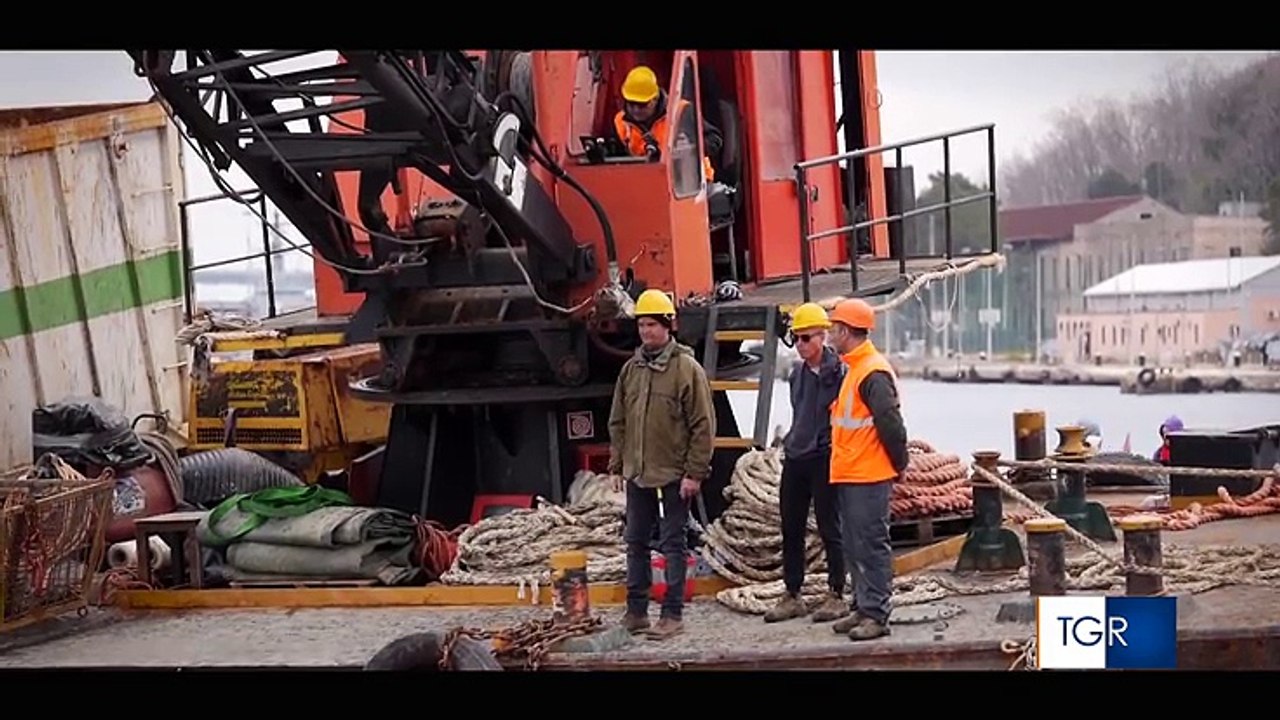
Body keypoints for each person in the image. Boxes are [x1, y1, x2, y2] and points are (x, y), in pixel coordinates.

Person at [607, 288, 715, 641]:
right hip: (639, 471)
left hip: (674, 474)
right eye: (642, 325)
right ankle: (636, 611)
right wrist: (618, 464)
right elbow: (618, 420)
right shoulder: (631, 370)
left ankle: (672, 614)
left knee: (673, 543)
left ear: (669, 326)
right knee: (636, 540)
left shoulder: (687, 369)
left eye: (653, 325)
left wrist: (694, 473)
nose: (646, 332)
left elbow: (702, 425)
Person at [825, 298, 909, 641]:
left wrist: (899, 463)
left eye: (833, 328)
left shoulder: (871, 371)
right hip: (851, 472)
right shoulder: (855, 368)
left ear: (845, 331)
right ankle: (862, 606)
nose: (830, 333)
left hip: (868, 474)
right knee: (854, 545)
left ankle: (876, 614)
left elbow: (891, 424)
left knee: (871, 545)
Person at [764, 303, 850, 624]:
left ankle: (837, 592)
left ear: (823, 336)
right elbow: (799, 410)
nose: (800, 345)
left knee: (831, 527)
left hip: (825, 457)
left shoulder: (840, 372)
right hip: (797, 456)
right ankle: (792, 592)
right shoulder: (797, 374)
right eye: (796, 338)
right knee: (791, 526)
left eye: (806, 338)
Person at [613, 65, 722, 182]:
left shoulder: (681, 112)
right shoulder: (620, 121)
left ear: (655, 99)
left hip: (691, 185)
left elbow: (715, 140)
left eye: (642, 105)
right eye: (631, 103)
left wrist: (689, 150)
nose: (635, 110)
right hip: (646, 184)